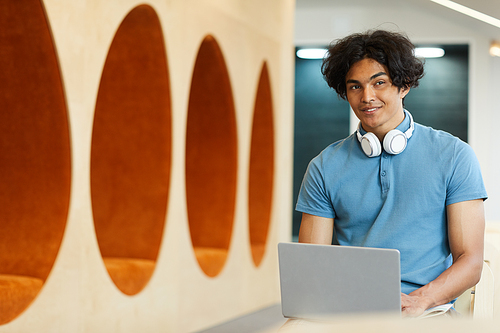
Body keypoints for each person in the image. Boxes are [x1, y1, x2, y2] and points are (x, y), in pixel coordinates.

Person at [295, 29, 487, 317]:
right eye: (355, 87)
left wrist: (420, 300)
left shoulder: (454, 155)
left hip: (427, 312)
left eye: (379, 83)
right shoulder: (323, 166)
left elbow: (470, 260)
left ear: (404, 84)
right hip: (350, 311)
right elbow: (312, 265)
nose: (367, 97)